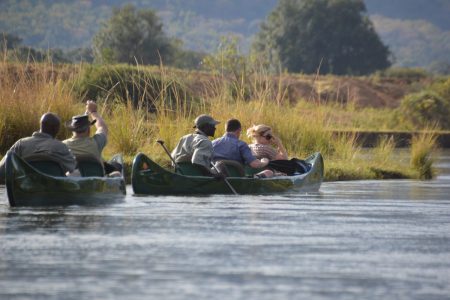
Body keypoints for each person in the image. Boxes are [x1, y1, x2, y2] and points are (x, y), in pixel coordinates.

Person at [0, 112, 77, 182]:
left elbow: (2, 169)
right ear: (56, 129)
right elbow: (72, 168)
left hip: (26, 187)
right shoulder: (61, 147)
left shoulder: (21, 143)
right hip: (53, 188)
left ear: (41, 125)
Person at [63, 100, 119, 175]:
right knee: (117, 167)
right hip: (97, 182)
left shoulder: (63, 146)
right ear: (88, 130)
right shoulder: (96, 142)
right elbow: (102, 127)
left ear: (73, 130)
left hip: (74, 183)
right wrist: (93, 112)